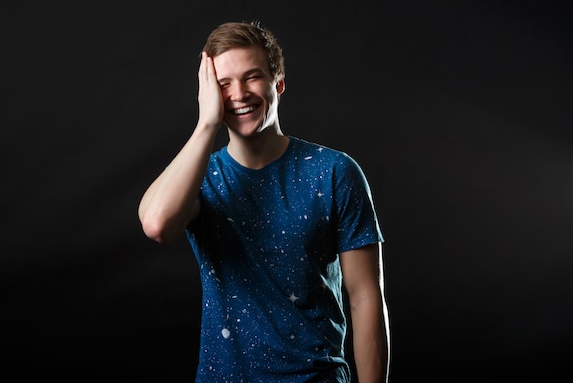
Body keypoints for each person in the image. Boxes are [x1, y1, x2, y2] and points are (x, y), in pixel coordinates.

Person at [138, 21, 389, 382]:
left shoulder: (335, 171)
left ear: (279, 83)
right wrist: (206, 123)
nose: (239, 94)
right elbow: (157, 224)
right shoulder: (200, 178)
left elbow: (366, 299)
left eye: (251, 77)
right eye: (224, 84)